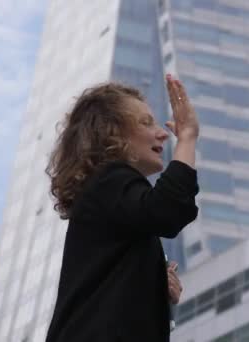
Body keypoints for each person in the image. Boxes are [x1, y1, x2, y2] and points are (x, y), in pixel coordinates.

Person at [45, 75, 199, 342]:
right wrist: (186, 138)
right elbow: (167, 210)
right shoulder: (108, 180)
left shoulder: (112, 199)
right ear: (111, 132)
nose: (163, 132)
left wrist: (153, 284)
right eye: (146, 122)